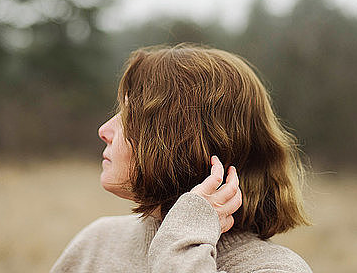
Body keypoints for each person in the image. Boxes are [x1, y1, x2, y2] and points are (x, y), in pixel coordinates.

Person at [50, 44, 313, 273]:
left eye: (130, 117)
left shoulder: (274, 268)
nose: (104, 130)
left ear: (182, 142)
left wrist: (183, 240)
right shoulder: (98, 243)